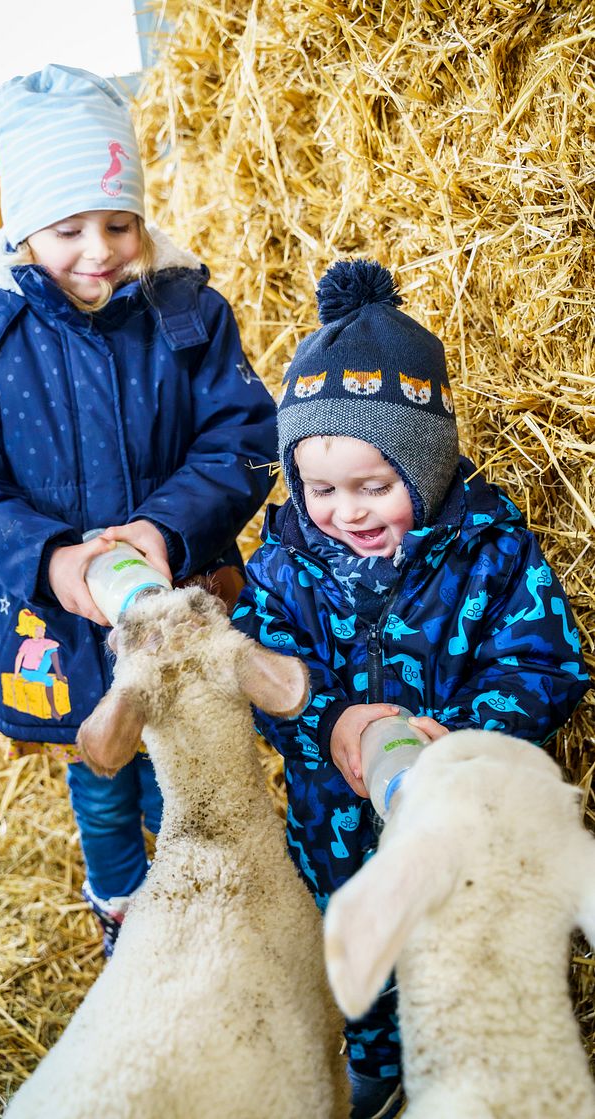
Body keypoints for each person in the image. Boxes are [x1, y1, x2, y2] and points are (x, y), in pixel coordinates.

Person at [0, 63, 277, 956]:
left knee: (187, 763)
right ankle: (122, 911)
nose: (98, 250)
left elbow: (245, 437)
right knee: (102, 772)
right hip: (61, 618)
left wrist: (162, 527)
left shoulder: (186, 312)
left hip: (175, 595)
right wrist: (54, 561)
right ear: (23, 226)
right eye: (68, 227)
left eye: (119, 222)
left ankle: (207, 911)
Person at [231, 258, 590, 1119]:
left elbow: (547, 665)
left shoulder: (492, 554)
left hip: (464, 821)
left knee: (472, 948)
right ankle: (377, 1060)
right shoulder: (283, 567)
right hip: (336, 823)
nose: (346, 511)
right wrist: (331, 720)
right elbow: (268, 677)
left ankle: (474, 1072)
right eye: (320, 488)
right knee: (362, 944)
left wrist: (459, 736)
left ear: (426, 470)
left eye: (374, 485)